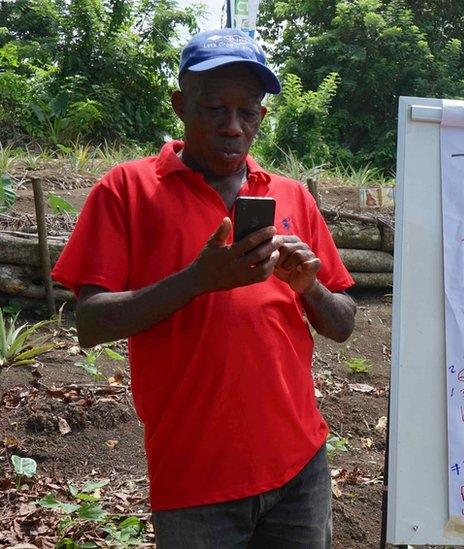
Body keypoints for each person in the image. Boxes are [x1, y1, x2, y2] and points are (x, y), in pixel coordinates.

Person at [51, 29, 356, 548]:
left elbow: (344, 323)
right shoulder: (127, 190)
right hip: (195, 482)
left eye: (249, 112)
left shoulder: (291, 196)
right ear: (179, 105)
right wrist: (198, 280)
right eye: (214, 109)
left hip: (300, 467)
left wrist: (310, 288)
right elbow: (90, 323)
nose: (233, 127)